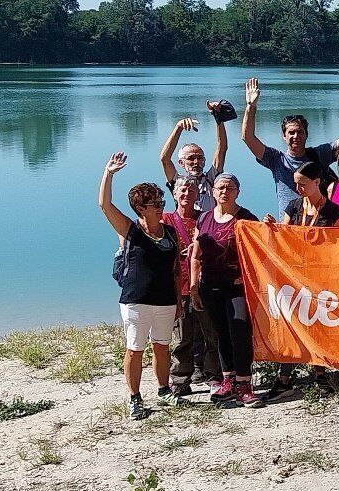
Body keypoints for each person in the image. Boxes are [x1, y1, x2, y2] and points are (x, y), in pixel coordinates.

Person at [99, 152, 187, 420]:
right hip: (136, 300)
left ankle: (163, 390)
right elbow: (104, 205)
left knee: (161, 346)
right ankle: (135, 398)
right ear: (141, 208)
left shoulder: (170, 232)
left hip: (165, 300)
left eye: (161, 201)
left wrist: (179, 300)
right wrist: (109, 173)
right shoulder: (131, 230)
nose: (160, 206)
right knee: (135, 349)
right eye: (154, 203)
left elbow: (175, 269)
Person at [261, 162, 339, 401]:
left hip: (321, 278)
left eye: (302, 184)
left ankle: (320, 373)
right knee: (292, 323)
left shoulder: (333, 212)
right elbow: (282, 236)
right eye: (296, 183)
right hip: (293, 276)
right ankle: (284, 377)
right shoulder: (294, 206)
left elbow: (338, 248)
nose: (297, 188)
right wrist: (271, 227)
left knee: (318, 324)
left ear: (317, 183)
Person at [190, 173, 263, 408]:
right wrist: (193, 287)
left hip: (236, 285)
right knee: (221, 333)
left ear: (237, 192)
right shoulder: (203, 219)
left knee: (239, 331)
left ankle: (245, 384)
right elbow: (196, 255)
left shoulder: (245, 218)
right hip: (209, 285)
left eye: (230, 188)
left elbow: (261, 250)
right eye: (220, 187)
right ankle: (228, 379)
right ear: (212, 192)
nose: (224, 191)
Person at [240, 77, 339, 215]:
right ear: (284, 135)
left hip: (317, 225)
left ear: (306, 134)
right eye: (291, 132)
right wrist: (250, 106)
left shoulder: (319, 154)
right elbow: (248, 138)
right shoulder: (276, 159)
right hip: (289, 226)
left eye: (300, 132)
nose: (296, 136)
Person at [162, 176, 221, 396]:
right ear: (175, 194)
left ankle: (214, 377)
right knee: (182, 337)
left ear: (198, 194)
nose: (187, 194)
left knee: (211, 334)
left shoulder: (206, 218)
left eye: (191, 190)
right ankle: (180, 380)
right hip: (180, 286)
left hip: (206, 284)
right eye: (183, 190)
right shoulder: (165, 220)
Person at [158, 101, 230, 212]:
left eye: (200, 158)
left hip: (209, 227)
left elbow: (222, 149)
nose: (196, 162)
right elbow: (165, 159)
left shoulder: (211, 179)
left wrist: (218, 118)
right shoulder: (178, 182)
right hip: (185, 227)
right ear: (181, 163)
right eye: (191, 158)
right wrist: (179, 127)